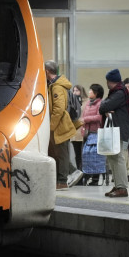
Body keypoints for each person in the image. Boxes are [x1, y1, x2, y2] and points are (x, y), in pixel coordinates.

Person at [45, 60, 83, 190]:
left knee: (61, 153)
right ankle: (72, 172)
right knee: (57, 153)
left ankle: (62, 181)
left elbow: (59, 109)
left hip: (60, 125)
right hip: (59, 124)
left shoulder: (57, 87)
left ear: (47, 71)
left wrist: (51, 126)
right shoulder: (53, 85)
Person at [99, 69, 129, 197]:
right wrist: (106, 107)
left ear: (111, 81)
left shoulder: (119, 93)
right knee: (112, 157)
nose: (106, 83)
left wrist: (105, 107)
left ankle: (122, 187)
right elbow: (104, 105)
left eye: (107, 81)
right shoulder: (116, 92)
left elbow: (103, 106)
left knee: (118, 157)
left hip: (119, 129)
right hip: (115, 128)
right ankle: (117, 185)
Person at [79, 84, 104, 186]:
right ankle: (85, 176)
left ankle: (95, 178)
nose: (89, 92)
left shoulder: (100, 103)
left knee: (95, 156)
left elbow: (99, 117)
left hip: (96, 132)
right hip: (87, 132)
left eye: (91, 91)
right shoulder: (88, 103)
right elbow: (83, 116)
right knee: (85, 155)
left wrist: (86, 119)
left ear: (96, 93)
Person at [70, 84, 87, 180]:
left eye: (77, 90)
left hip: (84, 130)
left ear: (81, 91)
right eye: (74, 90)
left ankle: (85, 173)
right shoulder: (71, 101)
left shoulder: (86, 102)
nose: (75, 92)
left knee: (84, 154)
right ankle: (79, 175)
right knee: (77, 154)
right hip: (75, 131)